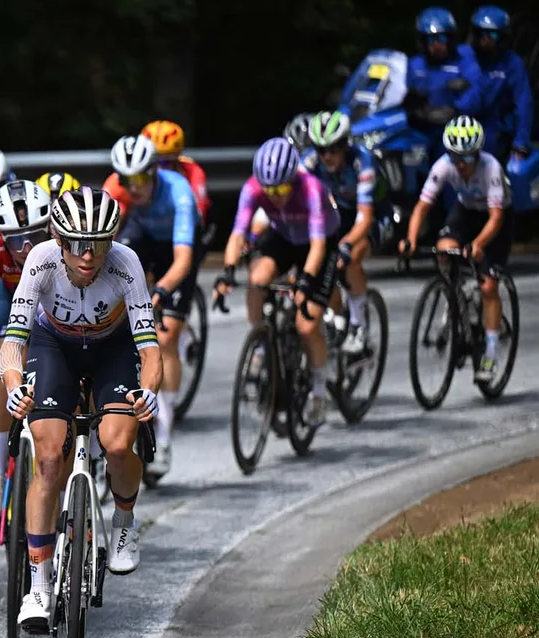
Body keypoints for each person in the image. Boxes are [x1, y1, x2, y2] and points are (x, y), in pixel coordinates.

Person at [0, 187, 162, 633]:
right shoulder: (41, 261)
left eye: (99, 244)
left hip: (113, 348)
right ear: (57, 238)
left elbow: (150, 350)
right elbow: (14, 341)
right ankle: (39, 586)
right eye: (76, 244)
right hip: (56, 347)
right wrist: (14, 386)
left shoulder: (126, 264)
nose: (88, 257)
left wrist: (149, 393)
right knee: (49, 458)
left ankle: (124, 518)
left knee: (116, 440)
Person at [215, 138, 341, 427]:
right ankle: (261, 345)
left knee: (306, 325)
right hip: (284, 236)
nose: (276, 196)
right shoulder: (253, 188)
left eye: (282, 189)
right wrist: (228, 271)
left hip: (318, 243)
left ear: (292, 179)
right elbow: (237, 233)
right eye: (269, 190)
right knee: (257, 279)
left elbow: (319, 246)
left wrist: (306, 281)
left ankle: (320, 391)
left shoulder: (312, 188)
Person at [113, 135, 202, 478]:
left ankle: (164, 434)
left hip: (178, 249)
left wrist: (159, 292)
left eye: (139, 179)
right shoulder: (119, 188)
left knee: (165, 340)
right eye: (125, 180)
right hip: (144, 236)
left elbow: (182, 261)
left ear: (154, 173)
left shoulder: (177, 191)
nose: (132, 187)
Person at [399, 116, 514, 381]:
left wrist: (478, 245)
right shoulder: (443, 166)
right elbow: (422, 207)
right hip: (466, 210)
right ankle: (458, 295)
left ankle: (491, 352)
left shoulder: (491, 168)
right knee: (444, 249)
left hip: (495, 217)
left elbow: (496, 219)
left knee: (487, 285)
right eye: (455, 158)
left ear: (478, 153)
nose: (461, 165)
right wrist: (411, 239)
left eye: (468, 158)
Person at [0, 180, 52, 518]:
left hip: (48, 300)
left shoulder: (60, 247)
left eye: (35, 235)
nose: (27, 246)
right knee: (3, 363)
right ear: (1, 236)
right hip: (7, 299)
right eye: (15, 239)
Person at [301, 110, 392, 355]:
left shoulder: (362, 163)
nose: (327, 156)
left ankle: (359, 326)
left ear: (345, 146)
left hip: (373, 214)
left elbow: (364, 218)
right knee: (321, 263)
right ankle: (337, 317)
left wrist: (347, 244)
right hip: (338, 214)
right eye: (321, 150)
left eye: (333, 149)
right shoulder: (309, 162)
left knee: (348, 260)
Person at [406, 8, 488, 162]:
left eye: (441, 39)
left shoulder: (464, 60)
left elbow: (476, 91)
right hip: (422, 131)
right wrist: (415, 109)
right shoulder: (415, 65)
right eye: (431, 40)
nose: (436, 45)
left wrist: (455, 110)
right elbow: (403, 94)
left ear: (450, 39)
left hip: (456, 131)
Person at [467, 6, 533, 162]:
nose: (487, 39)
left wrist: (520, 143)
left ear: (503, 37)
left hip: (497, 131)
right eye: (482, 33)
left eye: (493, 35)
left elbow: (523, 103)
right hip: (462, 125)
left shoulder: (512, 63)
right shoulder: (463, 56)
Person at [143, 120, 212, 224]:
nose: (159, 169)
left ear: (177, 158)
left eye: (165, 162)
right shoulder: (133, 174)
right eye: (153, 163)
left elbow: (199, 213)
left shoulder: (193, 172)